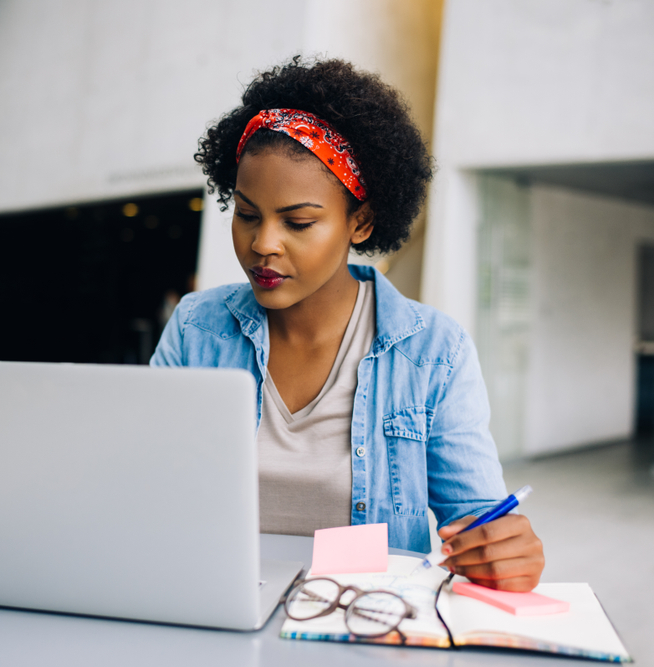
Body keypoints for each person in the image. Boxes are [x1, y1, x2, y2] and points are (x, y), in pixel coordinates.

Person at [151, 57, 544, 592]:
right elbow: (147, 483)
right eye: (246, 214)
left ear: (359, 222)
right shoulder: (198, 328)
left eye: (298, 222)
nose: (263, 243)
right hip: (209, 597)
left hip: (362, 618)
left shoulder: (432, 351)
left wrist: (502, 550)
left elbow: (478, 524)